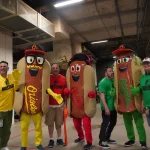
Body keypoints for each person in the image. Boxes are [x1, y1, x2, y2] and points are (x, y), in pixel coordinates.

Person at [112, 45, 147, 149]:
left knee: (139, 123)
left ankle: (143, 141)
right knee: (127, 123)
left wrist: (139, 89)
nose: (122, 61)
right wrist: (114, 92)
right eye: (119, 60)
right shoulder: (116, 69)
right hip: (123, 101)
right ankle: (131, 139)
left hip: (134, 100)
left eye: (125, 58)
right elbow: (115, 83)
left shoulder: (137, 65)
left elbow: (143, 80)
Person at [0, 61, 21, 150]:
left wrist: (16, 80)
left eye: (5, 66)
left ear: (7, 68)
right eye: (1, 66)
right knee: (0, 130)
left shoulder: (11, 77)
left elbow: (16, 88)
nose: (3, 68)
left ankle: (3, 145)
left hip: (9, 110)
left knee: (7, 130)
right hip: (0, 111)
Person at [45, 63, 66, 148]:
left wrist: (65, 105)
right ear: (51, 69)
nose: (55, 69)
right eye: (53, 68)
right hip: (49, 105)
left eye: (56, 68)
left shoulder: (63, 79)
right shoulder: (47, 78)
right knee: (50, 123)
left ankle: (59, 138)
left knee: (59, 123)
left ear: (59, 69)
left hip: (59, 105)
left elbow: (65, 92)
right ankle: (51, 139)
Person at [98, 66, 117, 149]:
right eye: (109, 71)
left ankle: (107, 137)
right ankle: (101, 141)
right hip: (106, 108)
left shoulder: (112, 81)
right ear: (105, 73)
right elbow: (102, 96)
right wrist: (106, 108)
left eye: (112, 71)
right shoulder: (103, 82)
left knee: (113, 123)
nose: (111, 72)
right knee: (105, 124)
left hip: (113, 107)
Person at [131, 57, 150, 127]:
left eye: (148, 66)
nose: (146, 68)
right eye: (145, 66)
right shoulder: (142, 78)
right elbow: (142, 92)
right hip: (147, 106)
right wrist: (142, 104)